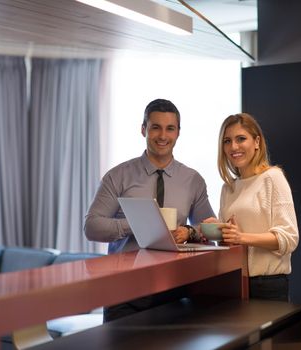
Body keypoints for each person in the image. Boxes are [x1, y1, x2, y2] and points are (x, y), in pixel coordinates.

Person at [84, 98, 215, 320]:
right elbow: (92, 226)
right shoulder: (118, 176)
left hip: (176, 291)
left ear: (178, 133)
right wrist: (139, 224)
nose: (163, 136)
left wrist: (189, 231)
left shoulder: (193, 180)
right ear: (143, 129)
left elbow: (210, 229)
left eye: (170, 129)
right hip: (124, 292)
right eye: (155, 127)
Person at [204, 113, 299, 301]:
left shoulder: (273, 178)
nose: (234, 147)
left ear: (256, 142)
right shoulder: (228, 188)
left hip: (268, 285)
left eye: (241, 139)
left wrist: (242, 237)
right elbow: (231, 239)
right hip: (235, 282)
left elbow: (289, 238)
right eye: (227, 141)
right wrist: (218, 228)